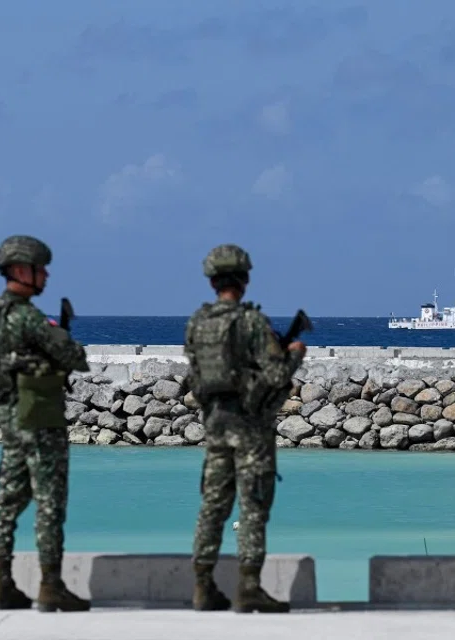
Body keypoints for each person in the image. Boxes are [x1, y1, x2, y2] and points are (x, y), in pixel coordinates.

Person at [0, 235, 91, 613]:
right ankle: (50, 585)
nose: (46, 275)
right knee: (50, 500)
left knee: (8, 499)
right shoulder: (27, 317)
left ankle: (1, 583)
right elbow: (75, 357)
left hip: (9, 414)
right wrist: (63, 337)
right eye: (40, 268)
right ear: (21, 270)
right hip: (39, 415)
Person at [183, 244, 306, 614]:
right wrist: (295, 353)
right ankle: (249, 587)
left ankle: (203, 585)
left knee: (212, 505)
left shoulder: (198, 323)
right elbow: (276, 373)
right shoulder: (251, 322)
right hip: (251, 427)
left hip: (216, 425)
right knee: (252, 506)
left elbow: (195, 375)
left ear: (212, 280)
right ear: (245, 279)